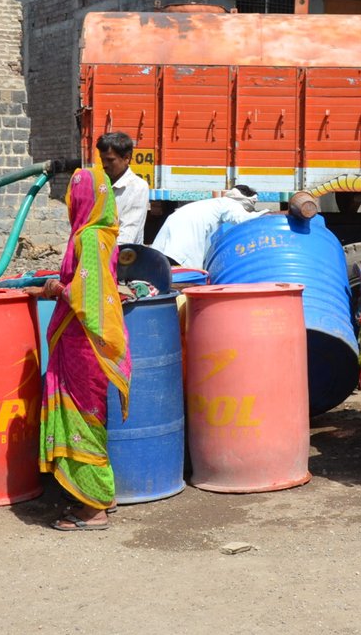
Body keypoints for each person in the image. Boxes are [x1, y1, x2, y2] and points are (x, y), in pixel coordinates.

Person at [38, 167, 132, 531]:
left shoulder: (88, 238)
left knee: (83, 418)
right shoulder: (103, 234)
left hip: (82, 344)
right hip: (78, 343)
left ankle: (93, 509)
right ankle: (94, 497)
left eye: (74, 197)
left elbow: (87, 296)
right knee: (86, 416)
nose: (71, 203)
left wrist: (56, 289)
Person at [149, 186, 266, 269]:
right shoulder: (231, 204)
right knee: (184, 278)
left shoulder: (215, 204)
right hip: (183, 242)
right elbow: (243, 220)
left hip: (169, 234)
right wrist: (268, 214)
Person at [95, 131, 148, 245]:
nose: (104, 165)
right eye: (102, 159)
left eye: (110, 160)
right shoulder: (101, 183)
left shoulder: (137, 187)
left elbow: (127, 235)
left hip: (122, 257)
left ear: (126, 158)